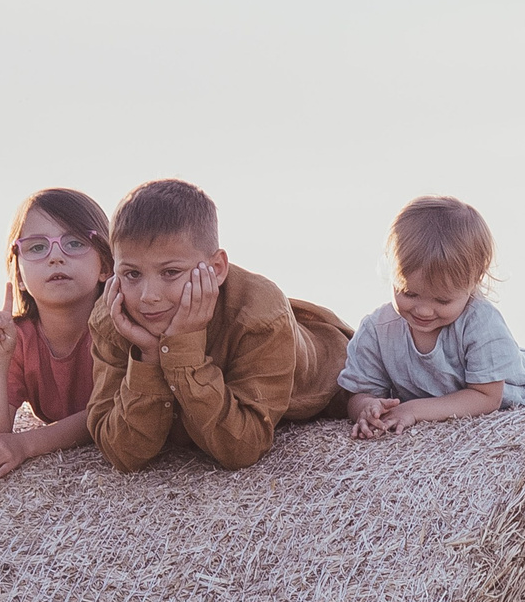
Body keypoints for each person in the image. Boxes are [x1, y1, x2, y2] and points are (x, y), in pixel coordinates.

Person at [86, 179, 353, 471]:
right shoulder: (112, 317)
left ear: (216, 269)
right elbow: (122, 452)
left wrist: (181, 352)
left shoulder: (260, 316)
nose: (149, 296)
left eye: (171, 272)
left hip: (331, 371)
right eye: (132, 274)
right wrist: (149, 356)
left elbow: (242, 447)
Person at [340, 196, 525, 440]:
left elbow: (487, 397)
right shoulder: (377, 330)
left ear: (473, 283)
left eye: (442, 300)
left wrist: (414, 409)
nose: (423, 310)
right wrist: (367, 407)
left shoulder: (480, 322)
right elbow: (358, 393)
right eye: (409, 293)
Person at [0, 187, 109, 481]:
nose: (55, 257)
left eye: (74, 242)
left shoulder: (117, 327)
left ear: (106, 266)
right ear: (18, 276)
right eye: (36, 247)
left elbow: (106, 410)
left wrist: (26, 444)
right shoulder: (19, 339)